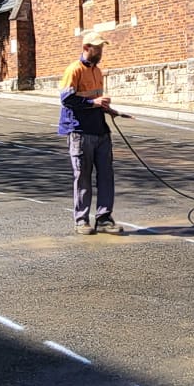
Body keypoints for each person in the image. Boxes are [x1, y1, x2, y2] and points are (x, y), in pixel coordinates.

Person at [58, 31, 121, 234]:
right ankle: (81, 220)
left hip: (100, 130)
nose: (100, 51)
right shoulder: (74, 70)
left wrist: (108, 109)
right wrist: (92, 102)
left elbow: (96, 99)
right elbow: (66, 100)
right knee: (83, 176)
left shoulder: (98, 71)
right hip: (79, 131)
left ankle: (104, 218)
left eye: (102, 47)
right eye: (97, 48)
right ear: (86, 48)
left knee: (106, 175)